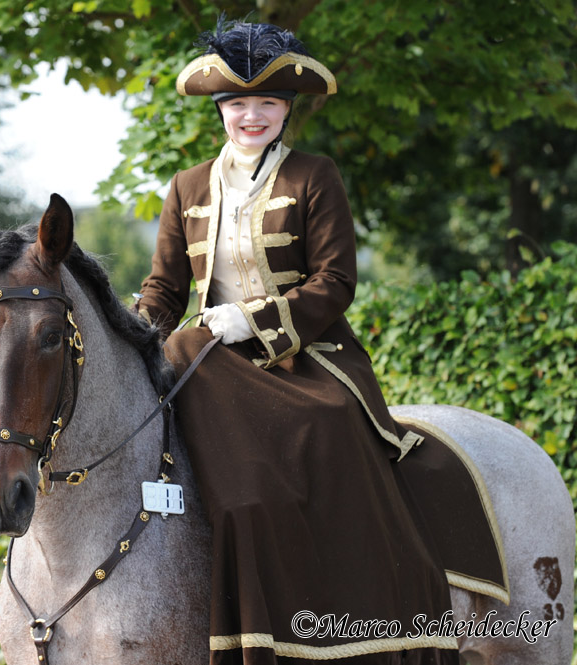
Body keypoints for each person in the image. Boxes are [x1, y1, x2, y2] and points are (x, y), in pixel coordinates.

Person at [136, 19, 461, 665]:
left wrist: (253, 320)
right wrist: (134, 331)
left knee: (331, 422)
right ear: (219, 110)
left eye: (267, 103)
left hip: (307, 357)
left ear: (286, 109)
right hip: (207, 358)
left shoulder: (316, 174)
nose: (250, 115)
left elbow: (336, 281)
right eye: (237, 103)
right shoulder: (188, 186)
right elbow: (164, 290)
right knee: (168, 370)